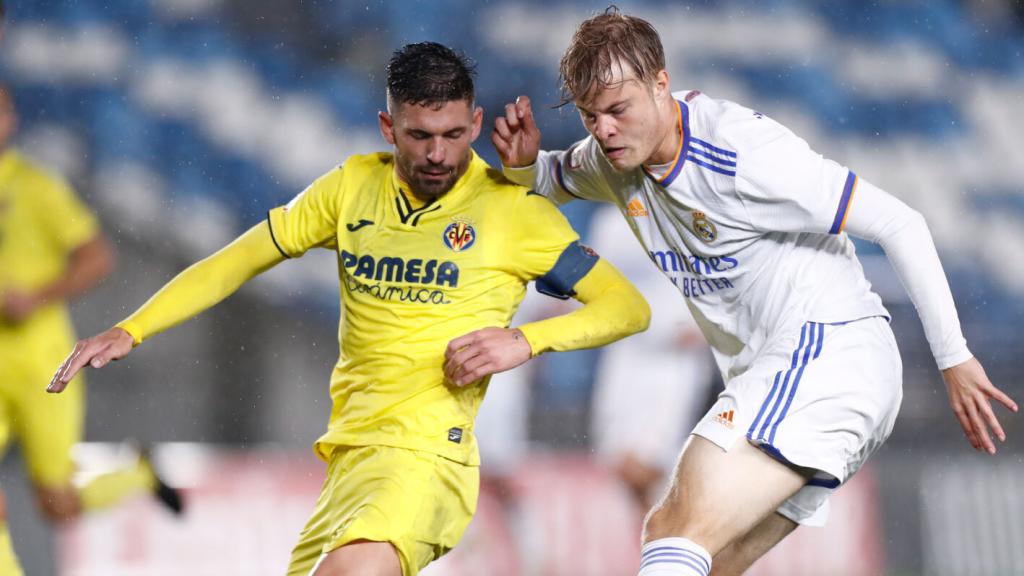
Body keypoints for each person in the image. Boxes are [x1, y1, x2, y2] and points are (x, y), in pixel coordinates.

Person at [49, 42, 650, 576]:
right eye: (420, 135)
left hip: (426, 459)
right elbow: (239, 259)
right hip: (349, 459)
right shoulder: (350, 188)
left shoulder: (514, 214)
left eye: (452, 134)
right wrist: (134, 328)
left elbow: (627, 308)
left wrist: (525, 342)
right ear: (389, 127)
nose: (439, 153)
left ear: (474, 123)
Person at [493, 8, 1017, 576]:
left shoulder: (743, 153)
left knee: (675, 523)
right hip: (806, 372)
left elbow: (900, 222)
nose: (605, 130)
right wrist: (522, 168)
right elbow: (552, 178)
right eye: (592, 118)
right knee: (704, 557)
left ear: (661, 84)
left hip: (827, 351)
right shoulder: (614, 157)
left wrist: (953, 357)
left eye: (619, 110)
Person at [0, 84, 182, 575]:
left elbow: (97, 257)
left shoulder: (35, 187)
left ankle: (136, 474)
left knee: (55, 504)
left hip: (39, 358)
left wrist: (35, 297)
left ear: (11, 120)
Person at [586, 204, 713, 511]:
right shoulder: (610, 220)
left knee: (650, 463)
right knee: (619, 462)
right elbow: (594, 279)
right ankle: (662, 547)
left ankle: (683, 542)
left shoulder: (692, 213)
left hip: (674, 356)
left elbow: (728, 275)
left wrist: (707, 325)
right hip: (626, 350)